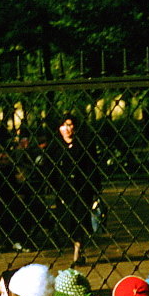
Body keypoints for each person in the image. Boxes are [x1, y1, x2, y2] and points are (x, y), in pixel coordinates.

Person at [47, 114, 103, 266]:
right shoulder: (54, 146)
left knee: (80, 219)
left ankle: (78, 251)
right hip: (63, 190)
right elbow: (49, 169)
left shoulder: (85, 145)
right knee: (66, 222)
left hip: (82, 188)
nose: (67, 129)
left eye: (70, 125)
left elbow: (93, 167)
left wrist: (96, 189)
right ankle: (76, 245)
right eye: (64, 125)